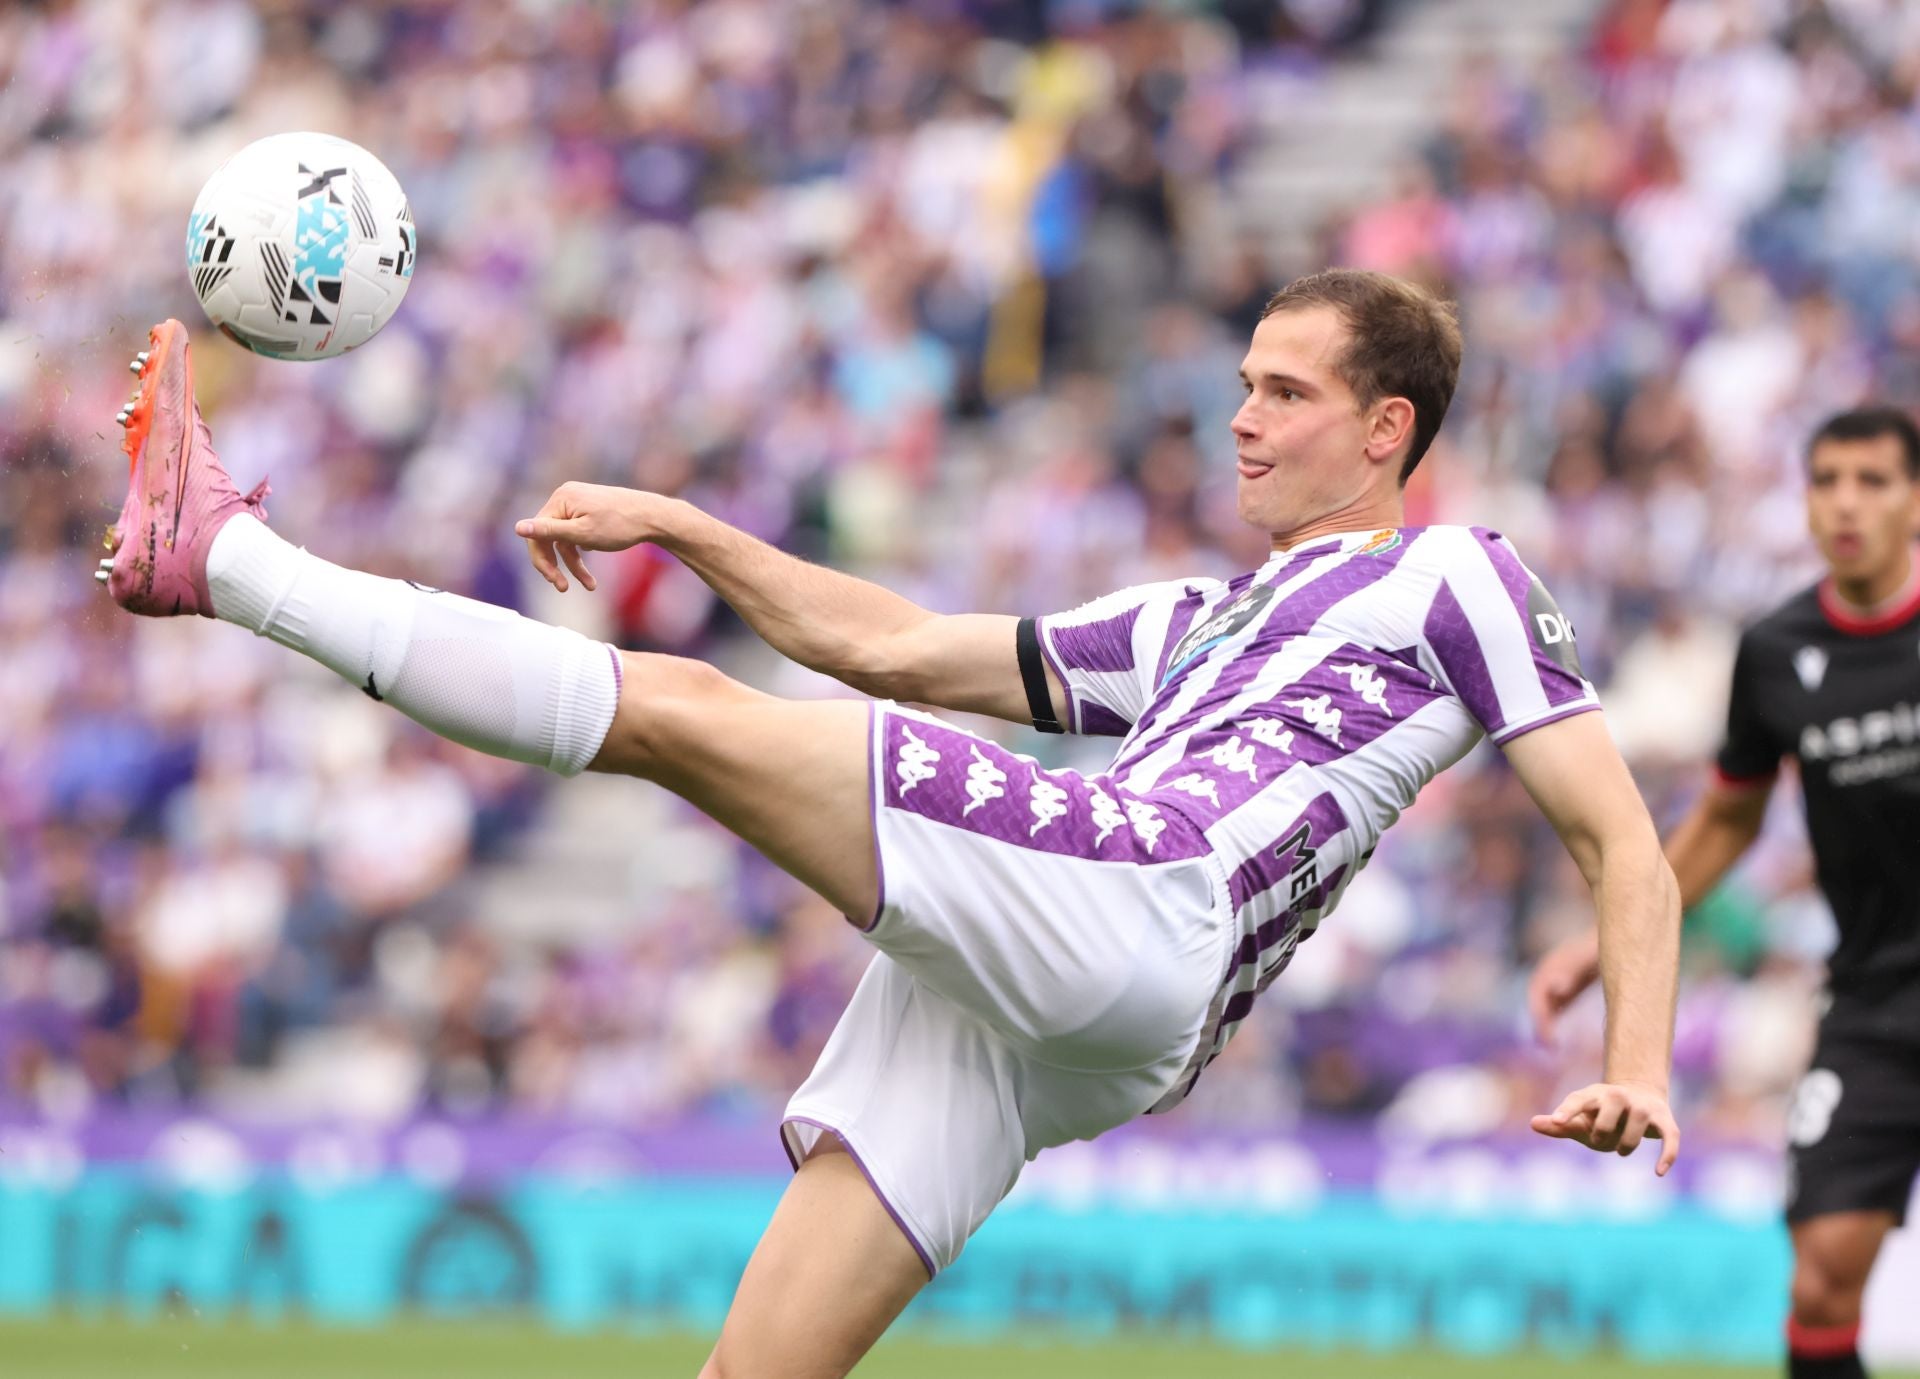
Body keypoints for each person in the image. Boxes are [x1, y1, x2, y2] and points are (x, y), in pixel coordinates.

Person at [103, 269, 1681, 1379]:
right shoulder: (1195, 617)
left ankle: (227, 559)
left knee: (679, 713)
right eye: (1242, 382)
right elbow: (891, 644)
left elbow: (1623, 842)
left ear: (1389, 429)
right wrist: (685, 523)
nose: (1242, 419)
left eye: (1286, 391)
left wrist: (1641, 1061)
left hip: (1153, 897)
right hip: (1076, 1007)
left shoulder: (1454, 572)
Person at [1530, 407, 1920, 1379]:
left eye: (1873, 480)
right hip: (1875, 1002)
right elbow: (1727, 820)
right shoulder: (1777, 651)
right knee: (1823, 1276)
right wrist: (1601, 940)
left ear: (1914, 499)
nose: (1847, 502)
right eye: (1827, 479)